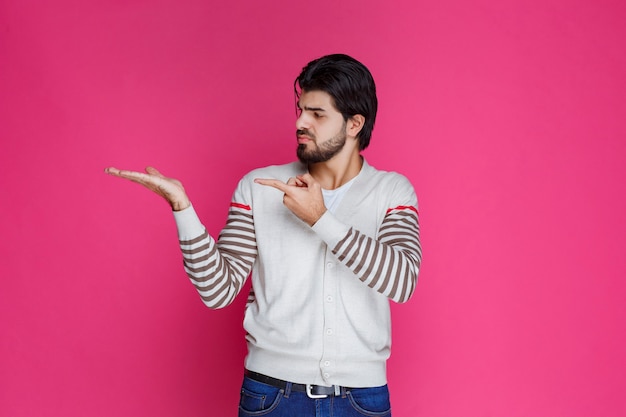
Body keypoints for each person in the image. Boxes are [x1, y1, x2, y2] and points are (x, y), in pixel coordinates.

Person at [105, 53, 421, 417]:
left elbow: (402, 281)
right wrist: (183, 209)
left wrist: (320, 219)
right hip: (271, 397)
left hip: (362, 400)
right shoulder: (259, 187)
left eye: (317, 114)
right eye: (301, 110)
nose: (301, 122)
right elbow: (217, 290)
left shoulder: (392, 191)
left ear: (354, 124)